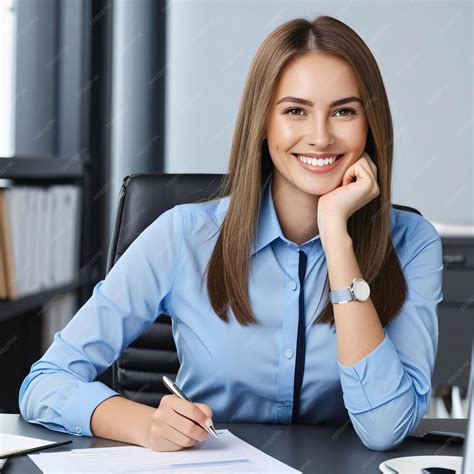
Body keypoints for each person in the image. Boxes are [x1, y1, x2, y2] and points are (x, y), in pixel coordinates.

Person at [19, 15, 443, 453]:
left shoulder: (413, 244)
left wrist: (336, 237)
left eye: (344, 111)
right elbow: (44, 383)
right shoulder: (182, 236)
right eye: (295, 110)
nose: (320, 137)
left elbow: (386, 429)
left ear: (370, 123)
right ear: (263, 122)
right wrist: (143, 423)